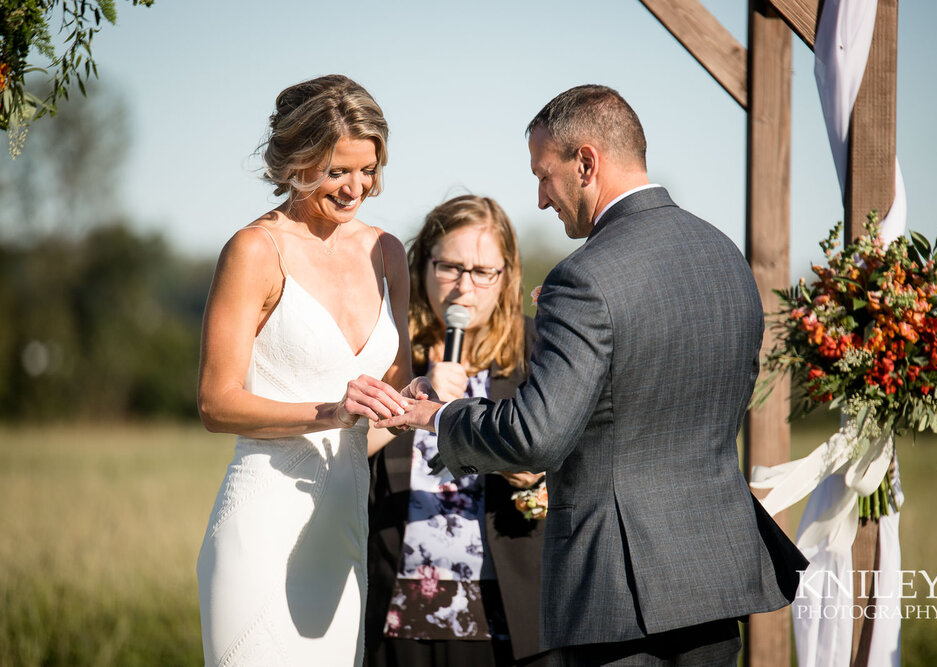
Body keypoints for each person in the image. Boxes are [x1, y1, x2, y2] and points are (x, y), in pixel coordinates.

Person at [375, 85, 809, 665]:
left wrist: (443, 415)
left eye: (544, 175)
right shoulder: (724, 255)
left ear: (585, 162)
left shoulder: (583, 278)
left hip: (616, 591)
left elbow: (538, 435)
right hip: (715, 577)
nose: (540, 199)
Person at [196, 74, 418, 667]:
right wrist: (332, 411)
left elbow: (387, 403)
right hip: (263, 527)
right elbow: (216, 404)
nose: (356, 189)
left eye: (367, 170)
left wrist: (413, 408)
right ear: (296, 161)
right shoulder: (255, 249)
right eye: (336, 171)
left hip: (345, 535)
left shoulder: (387, 253)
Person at [366, 195, 548, 667]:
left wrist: (536, 480)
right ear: (422, 262)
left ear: (506, 275)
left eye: (483, 271)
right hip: (396, 614)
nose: (464, 288)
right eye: (450, 266)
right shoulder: (386, 349)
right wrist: (411, 398)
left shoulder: (540, 351)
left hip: (509, 614)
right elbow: (340, 449)